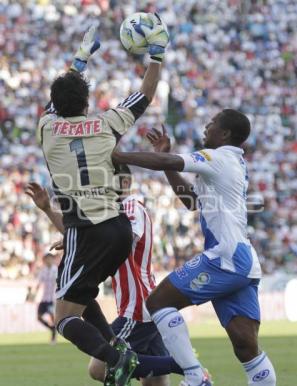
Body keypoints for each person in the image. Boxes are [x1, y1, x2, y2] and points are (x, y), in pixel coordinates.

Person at [36, 16, 169, 385]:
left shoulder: (46, 128)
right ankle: (117, 345)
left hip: (86, 229)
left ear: (56, 104)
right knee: (81, 296)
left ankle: (117, 358)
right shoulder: (107, 123)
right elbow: (145, 95)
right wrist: (156, 56)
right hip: (118, 228)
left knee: (64, 317)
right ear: (87, 101)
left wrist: (80, 59)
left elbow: (54, 103)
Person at [112, 113, 277, 386]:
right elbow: (190, 201)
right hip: (242, 260)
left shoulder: (218, 158)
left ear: (224, 134)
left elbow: (170, 160)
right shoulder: (227, 162)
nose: (206, 126)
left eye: (212, 123)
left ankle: (194, 376)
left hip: (225, 257)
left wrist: (120, 157)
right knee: (246, 347)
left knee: (157, 303)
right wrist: (167, 162)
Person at [26, 171, 182, 385]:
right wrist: (48, 210)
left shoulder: (130, 207)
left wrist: (86, 243)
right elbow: (91, 236)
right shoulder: (112, 213)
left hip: (137, 307)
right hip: (146, 304)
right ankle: (185, 365)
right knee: (155, 383)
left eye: (109, 180)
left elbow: (120, 239)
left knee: (99, 368)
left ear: (126, 181)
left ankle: (185, 365)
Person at [35, 253, 57, 344]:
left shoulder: (56, 270)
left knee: (53, 318)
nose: (48, 261)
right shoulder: (43, 271)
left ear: (52, 259)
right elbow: (39, 282)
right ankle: (52, 329)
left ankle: (53, 338)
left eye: (49, 259)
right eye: (46, 259)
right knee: (39, 317)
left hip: (52, 298)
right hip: (44, 298)